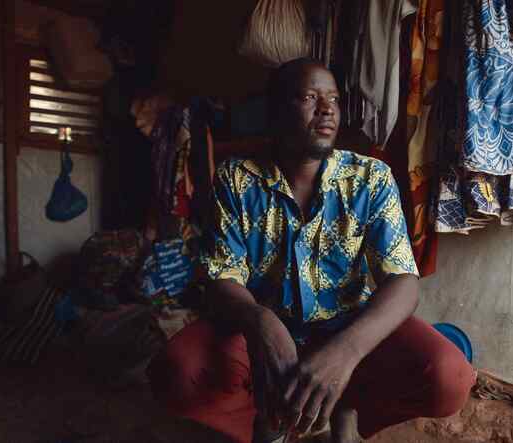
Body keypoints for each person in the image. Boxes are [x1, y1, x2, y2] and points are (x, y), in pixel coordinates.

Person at [147, 58, 476, 443]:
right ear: (276, 112)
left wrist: (346, 353)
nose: (327, 108)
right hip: (267, 337)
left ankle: (348, 404)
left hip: (345, 326)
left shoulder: (370, 178)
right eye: (309, 97)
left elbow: (403, 279)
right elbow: (222, 277)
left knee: (449, 377)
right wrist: (259, 321)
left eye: (333, 98)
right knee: (176, 373)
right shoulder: (236, 179)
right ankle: (266, 418)